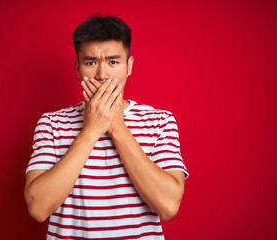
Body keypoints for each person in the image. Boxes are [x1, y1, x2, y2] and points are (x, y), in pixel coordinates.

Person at [24, 14, 188, 240]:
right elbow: (37, 207)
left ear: (129, 66)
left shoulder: (160, 121)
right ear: (77, 66)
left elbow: (169, 205)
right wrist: (91, 130)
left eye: (113, 62)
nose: (102, 75)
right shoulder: (51, 124)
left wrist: (116, 127)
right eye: (91, 62)